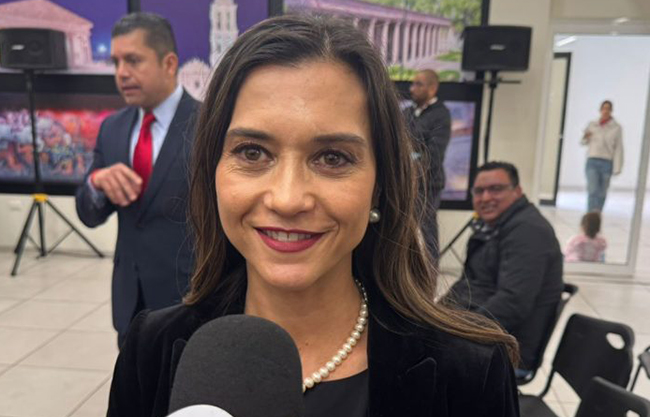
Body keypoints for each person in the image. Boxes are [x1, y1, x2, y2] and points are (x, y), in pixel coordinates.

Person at [107, 15, 520, 417]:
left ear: (380, 184)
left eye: (333, 158)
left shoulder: (470, 374)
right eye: (252, 152)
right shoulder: (152, 352)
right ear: (212, 169)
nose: (288, 199)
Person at [75, 12, 199, 346]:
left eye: (133, 60)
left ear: (169, 63)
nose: (121, 73)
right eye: (116, 62)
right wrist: (97, 183)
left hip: (192, 302)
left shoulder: (208, 126)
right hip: (129, 303)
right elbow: (89, 213)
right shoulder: (112, 128)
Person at [446, 161, 564, 378]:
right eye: (479, 191)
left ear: (517, 191)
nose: (485, 198)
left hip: (506, 353)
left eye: (496, 189)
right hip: (483, 337)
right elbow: (469, 284)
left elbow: (513, 302)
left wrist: (455, 334)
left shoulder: (528, 231)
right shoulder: (495, 227)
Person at [403, 69, 451, 262]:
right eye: (413, 83)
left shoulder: (441, 115)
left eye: (418, 84)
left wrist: (409, 164)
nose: (412, 89)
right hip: (404, 183)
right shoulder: (407, 113)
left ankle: (429, 275)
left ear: (432, 88)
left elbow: (433, 155)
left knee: (426, 230)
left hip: (427, 185)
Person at [582, 100, 623, 212]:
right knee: (592, 190)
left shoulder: (616, 128)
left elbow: (618, 148)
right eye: (604, 108)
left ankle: (597, 214)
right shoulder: (592, 125)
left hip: (606, 162)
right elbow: (583, 142)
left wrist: (617, 167)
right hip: (592, 160)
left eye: (608, 109)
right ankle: (590, 215)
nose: (606, 111)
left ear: (611, 111)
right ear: (600, 110)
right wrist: (586, 137)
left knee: (602, 192)